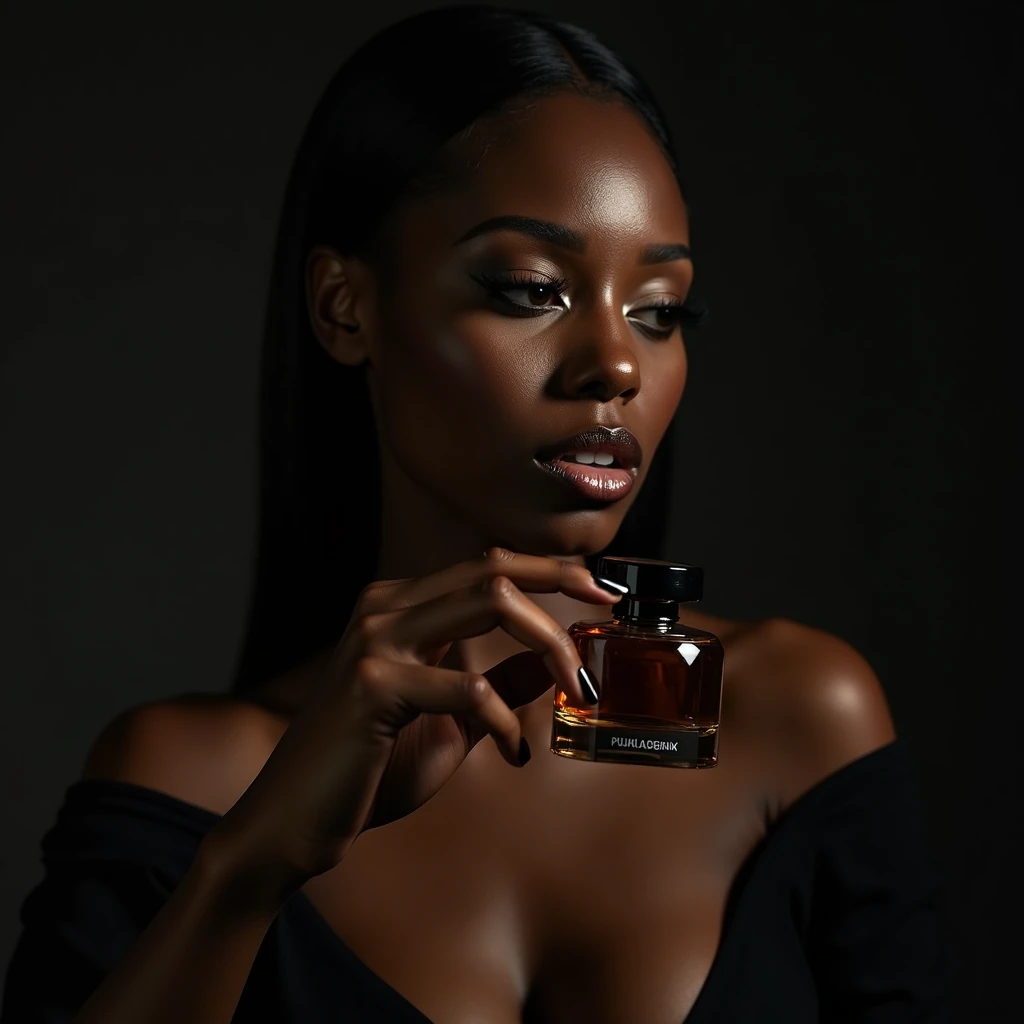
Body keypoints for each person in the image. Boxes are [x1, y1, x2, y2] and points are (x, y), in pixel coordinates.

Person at [1, 5, 946, 1022]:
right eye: (531, 289)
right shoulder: (190, 777)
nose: (617, 364)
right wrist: (248, 870)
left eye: (658, 310)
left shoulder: (798, 718)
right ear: (343, 308)